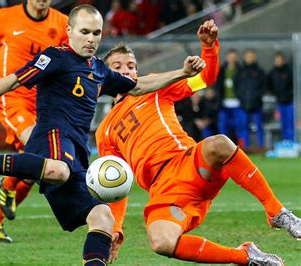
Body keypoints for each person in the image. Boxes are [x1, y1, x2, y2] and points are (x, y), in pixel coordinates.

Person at [0, 5, 206, 264]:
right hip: (50, 137)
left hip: (76, 152)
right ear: (70, 31)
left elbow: (138, 85)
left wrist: (181, 72)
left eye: (96, 33)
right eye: (84, 32)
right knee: (58, 170)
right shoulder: (55, 57)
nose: (91, 38)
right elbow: (13, 79)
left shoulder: (99, 68)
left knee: (103, 217)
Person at [96, 20, 300, 265]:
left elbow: (205, 78)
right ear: (105, 76)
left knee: (220, 143)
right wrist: (116, 229)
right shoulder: (104, 130)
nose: (127, 71)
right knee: (161, 242)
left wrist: (209, 48)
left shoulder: (154, 87)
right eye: (117, 67)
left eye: (131, 65)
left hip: (189, 162)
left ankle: (277, 212)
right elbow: (116, 184)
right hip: (164, 191)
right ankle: (245, 256)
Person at [0, 0, 69, 243]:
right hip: (12, 99)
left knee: (37, 168)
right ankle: (8, 183)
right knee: (39, 152)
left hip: (44, 104)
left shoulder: (62, 23)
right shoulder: (4, 17)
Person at [235, 49, 266, 151]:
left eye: (252, 56)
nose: (250, 58)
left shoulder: (260, 71)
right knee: (243, 128)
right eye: (248, 56)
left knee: (259, 127)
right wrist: (241, 98)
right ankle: (245, 148)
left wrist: (257, 97)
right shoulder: (240, 71)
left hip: (257, 105)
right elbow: (236, 86)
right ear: (245, 57)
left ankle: (260, 147)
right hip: (243, 105)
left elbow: (263, 87)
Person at [214, 48, 242, 146]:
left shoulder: (241, 70)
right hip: (224, 103)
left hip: (237, 103)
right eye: (230, 57)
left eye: (233, 57)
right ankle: (225, 147)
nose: (232, 59)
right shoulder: (221, 70)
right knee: (223, 126)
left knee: (239, 126)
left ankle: (241, 147)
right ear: (227, 57)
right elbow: (217, 86)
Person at [267, 51, 294, 141]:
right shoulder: (272, 72)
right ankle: (285, 142)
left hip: (290, 102)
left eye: (280, 60)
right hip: (279, 103)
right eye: (277, 60)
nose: (278, 61)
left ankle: (291, 142)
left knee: (290, 124)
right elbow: (269, 86)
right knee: (282, 124)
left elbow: (294, 85)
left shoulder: (289, 71)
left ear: (283, 60)